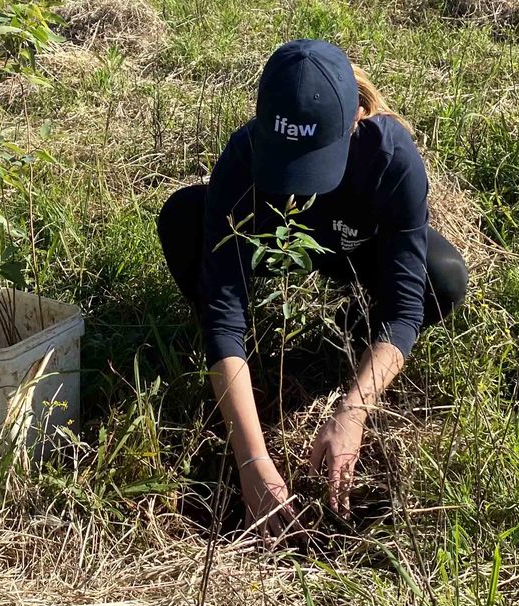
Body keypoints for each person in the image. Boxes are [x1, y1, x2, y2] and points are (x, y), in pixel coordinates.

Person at [158, 39, 469, 539]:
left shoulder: (389, 158)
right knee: (183, 218)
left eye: (315, 165)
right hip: (274, 244)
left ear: (354, 123)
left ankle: (348, 337)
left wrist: (353, 410)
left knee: (443, 275)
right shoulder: (242, 159)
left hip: (355, 253)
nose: (300, 188)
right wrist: (252, 460)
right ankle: (243, 369)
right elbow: (222, 314)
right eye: (287, 164)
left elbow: (406, 307)